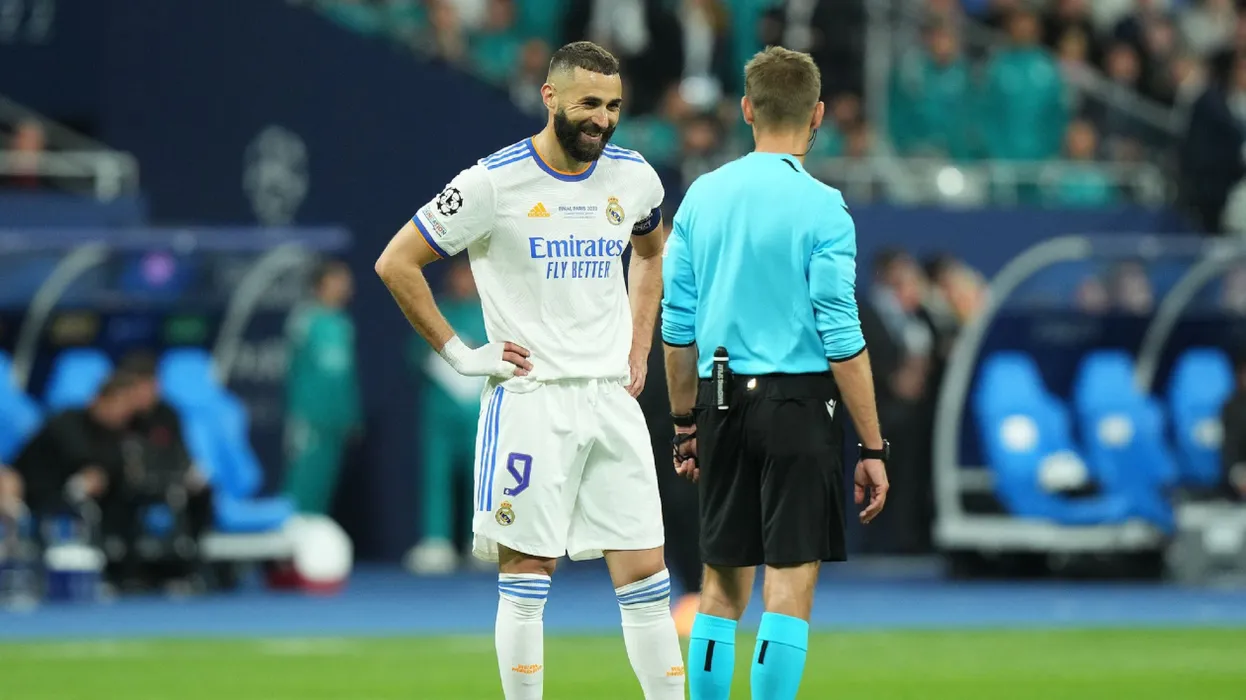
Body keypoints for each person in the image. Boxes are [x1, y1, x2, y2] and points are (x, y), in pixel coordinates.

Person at [375, 41, 685, 700]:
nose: (603, 119)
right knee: (527, 581)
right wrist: (461, 352)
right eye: (589, 103)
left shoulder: (634, 177)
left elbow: (651, 253)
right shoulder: (491, 183)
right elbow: (396, 262)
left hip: (610, 400)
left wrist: (639, 344)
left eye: (613, 106)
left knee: (648, 582)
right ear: (550, 97)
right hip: (532, 403)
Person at [661, 46, 890, 700]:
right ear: (818, 115)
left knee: (719, 588)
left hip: (720, 399)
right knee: (787, 587)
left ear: (746, 110)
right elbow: (841, 337)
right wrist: (873, 446)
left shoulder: (702, 197)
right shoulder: (824, 207)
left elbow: (677, 329)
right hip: (798, 404)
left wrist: (685, 424)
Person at [12, 375, 140, 584]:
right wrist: (90, 477)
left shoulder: (115, 434)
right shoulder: (67, 420)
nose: (122, 414)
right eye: (118, 406)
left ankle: (123, 573)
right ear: (98, 400)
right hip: (36, 491)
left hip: (79, 498)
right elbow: (77, 455)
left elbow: (116, 467)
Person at [407, 259, 489, 574]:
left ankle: (479, 541)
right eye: (460, 277)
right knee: (436, 476)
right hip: (440, 411)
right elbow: (416, 354)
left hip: (478, 412)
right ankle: (436, 541)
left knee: (480, 478)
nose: (465, 283)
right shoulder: (436, 311)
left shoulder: (490, 312)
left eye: (470, 277)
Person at [116, 352, 215, 586]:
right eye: (138, 386)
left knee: (203, 492)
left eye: (149, 385)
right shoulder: (122, 417)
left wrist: (187, 474)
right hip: (130, 484)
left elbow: (180, 454)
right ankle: (129, 571)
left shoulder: (168, 414)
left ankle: (192, 564)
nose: (144, 392)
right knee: (124, 496)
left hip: (168, 480)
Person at [283, 260, 362, 516]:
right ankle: (291, 530)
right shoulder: (305, 321)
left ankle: (315, 529)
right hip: (310, 417)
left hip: (335, 420)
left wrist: (351, 416)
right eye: (337, 280)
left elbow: (346, 377)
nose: (344, 287)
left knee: (325, 483)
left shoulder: (343, 325)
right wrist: (298, 415)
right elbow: (293, 370)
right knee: (304, 478)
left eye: (346, 282)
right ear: (321, 284)